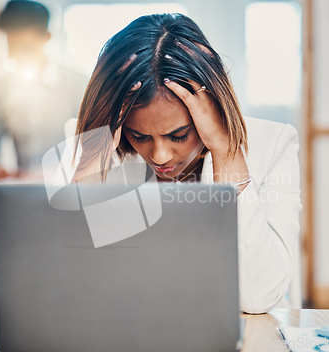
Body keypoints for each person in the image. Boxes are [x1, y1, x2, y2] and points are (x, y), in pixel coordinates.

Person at [64, 13, 302, 314]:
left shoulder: (274, 143)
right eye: (139, 136)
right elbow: (72, 287)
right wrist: (92, 153)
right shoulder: (96, 149)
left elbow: (258, 298)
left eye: (178, 135)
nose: (160, 156)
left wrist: (227, 154)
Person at [0, 0, 87, 178]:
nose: (19, 55)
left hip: (67, 184)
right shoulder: (1, 89)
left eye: (25, 47)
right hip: (22, 187)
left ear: (46, 37)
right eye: (12, 46)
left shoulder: (76, 85)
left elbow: (97, 145)